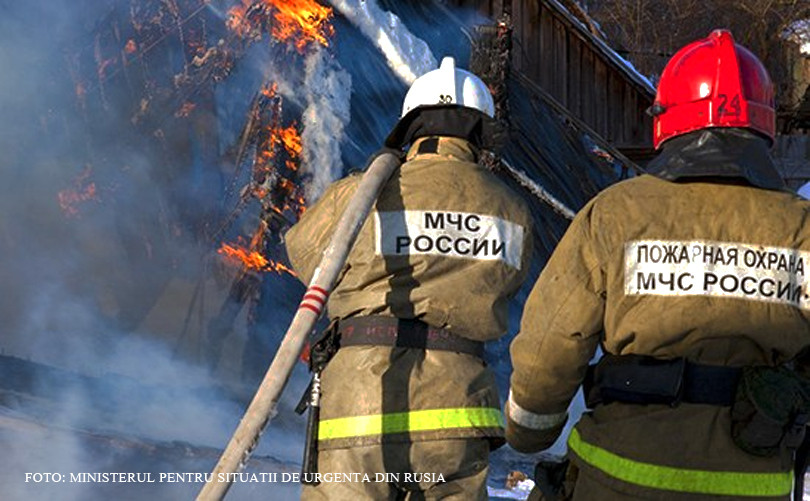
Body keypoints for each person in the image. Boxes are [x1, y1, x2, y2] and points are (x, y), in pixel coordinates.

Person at [505, 29, 810, 500]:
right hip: (755, 481)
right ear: (764, 126)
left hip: (619, 474)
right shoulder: (803, 227)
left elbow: (552, 341)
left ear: (666, 121)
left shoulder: (615, 213)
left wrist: (530, 433)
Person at [285, 57, 533, 500]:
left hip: (360, 404)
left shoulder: (363, 192)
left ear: (410, 128)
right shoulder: (511, 209)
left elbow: (306, 259)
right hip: (457, 413)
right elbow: (506, 284)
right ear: (481, 133)